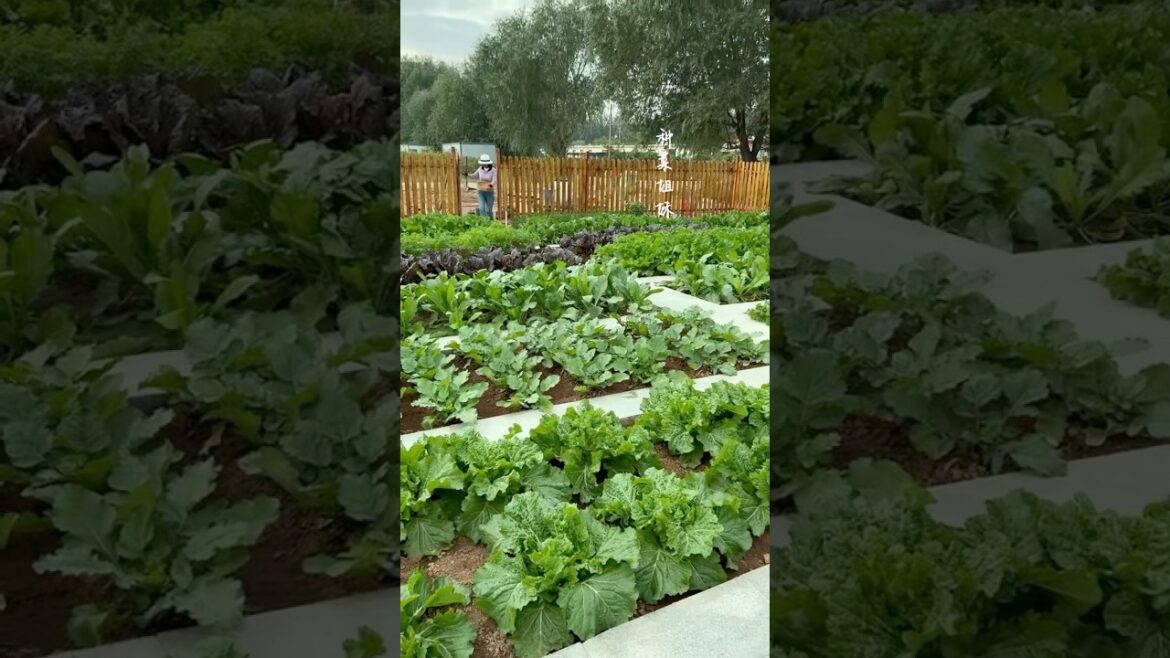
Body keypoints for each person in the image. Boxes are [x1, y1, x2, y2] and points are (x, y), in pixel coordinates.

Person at [473, 153, 497, 218]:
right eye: (482, 163)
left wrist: (491, 185)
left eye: (485, 163)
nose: (483, 164)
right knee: (481, 208)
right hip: (481, 191)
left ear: (488, 163)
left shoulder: (493, 170)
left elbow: (494, 180)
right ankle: (483, 222)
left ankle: (489, 222)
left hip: (489, 192)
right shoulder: (480, 169)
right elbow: (475, 175)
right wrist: (467, 174)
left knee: (488, 210)